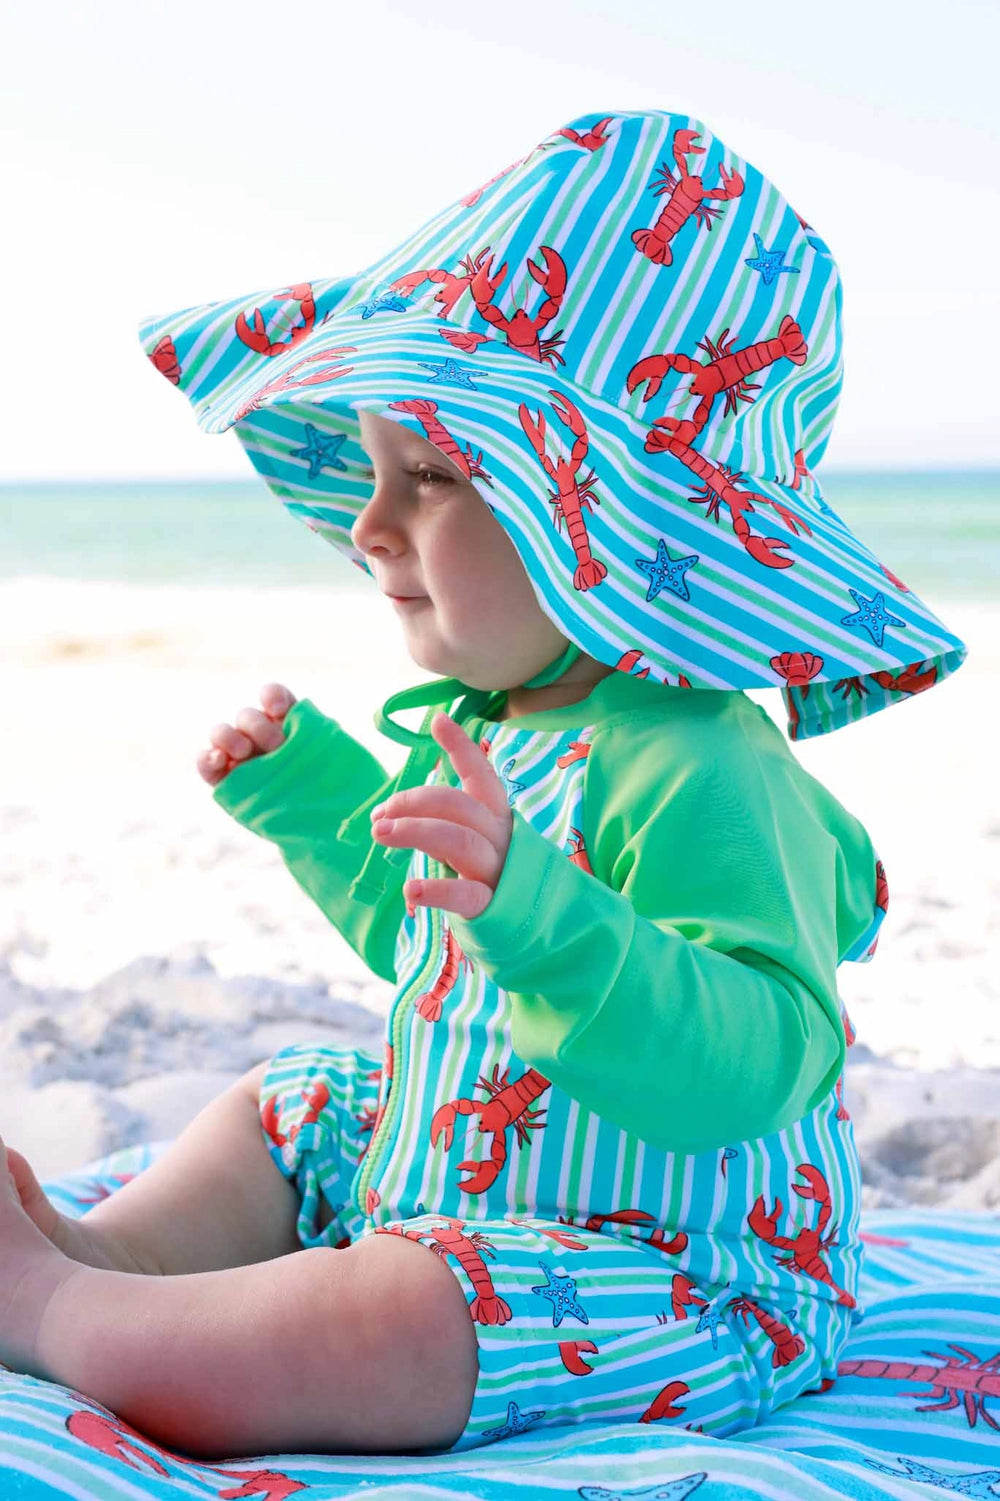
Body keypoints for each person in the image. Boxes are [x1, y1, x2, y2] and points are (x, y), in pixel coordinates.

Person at [1, 108, 966, 1463]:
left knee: (392, 1308)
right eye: (378, 471)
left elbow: (759, 1057)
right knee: (290, 1098)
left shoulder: (705, 764)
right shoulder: (495, 724)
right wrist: (320, 800)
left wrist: (544, 912)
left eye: (435, 475)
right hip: (461, 1173)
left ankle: (61, 1313)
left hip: (673, 1274)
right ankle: (122, 1256)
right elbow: (430, 941)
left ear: (613, 520)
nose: (367, 525)